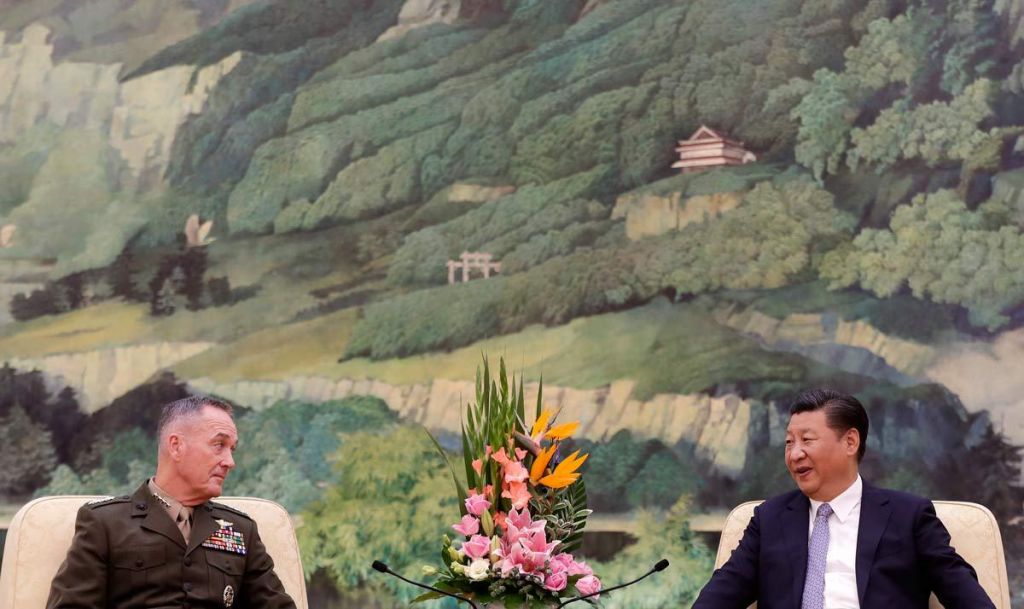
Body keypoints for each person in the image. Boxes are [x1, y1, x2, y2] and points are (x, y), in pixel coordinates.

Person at [692, 389, 995, 609]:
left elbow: (965, 595)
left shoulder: (909, 516)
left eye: (807, 440)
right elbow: (719, 597)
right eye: (789, 442)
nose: (795, 453)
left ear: (850, 441)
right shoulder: (769, 519)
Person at [47, 396, 297, 609]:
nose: (230, 461)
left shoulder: (241, 529)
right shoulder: (105, 523)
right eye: (219, 445)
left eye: (232, 449)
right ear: (176, 446)